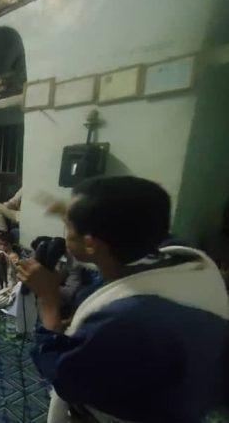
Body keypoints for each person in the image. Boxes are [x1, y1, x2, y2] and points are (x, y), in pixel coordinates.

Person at [17, 176, 229, 422]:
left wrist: (48, 299)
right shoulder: (188, 260)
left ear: (90, 244)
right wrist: (80, 215)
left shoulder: (123, 319)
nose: (65, 228)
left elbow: (63, 375)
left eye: (68, 225)